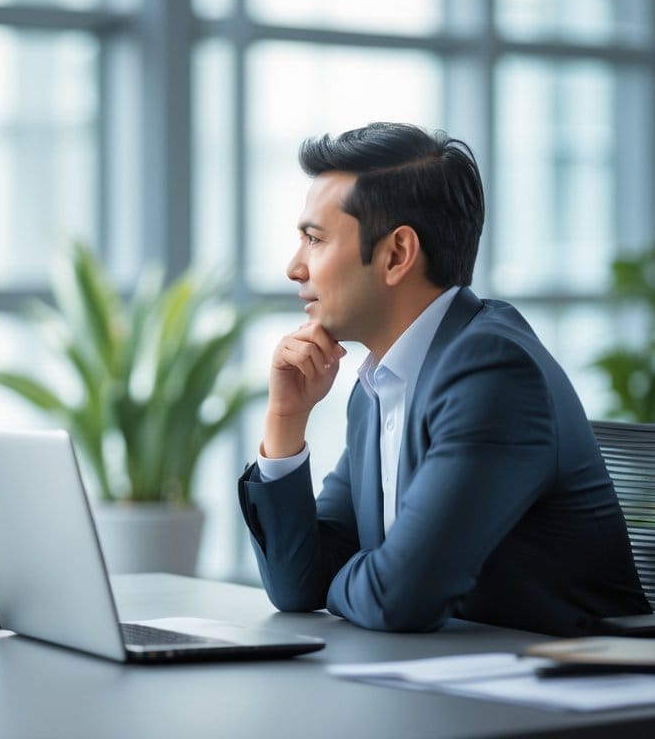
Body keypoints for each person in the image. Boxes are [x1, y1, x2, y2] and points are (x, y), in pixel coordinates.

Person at [237, 121, 649, 636]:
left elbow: (400, 599)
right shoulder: (377, 388)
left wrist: (349, 577)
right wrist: (285, 419)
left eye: (314, 240)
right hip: (459, 682)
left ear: (396, 255)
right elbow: (298, 586)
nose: (294, 268)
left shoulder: (493, 370)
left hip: (579, 693)